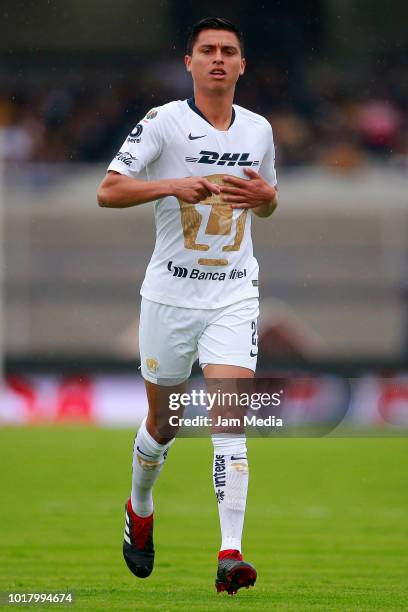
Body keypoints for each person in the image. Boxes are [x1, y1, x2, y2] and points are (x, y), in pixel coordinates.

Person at [97, 16, 278, 596]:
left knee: (230, 422)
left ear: (242, 65)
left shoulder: (260, 131)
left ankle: (230, 553)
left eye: (229, 50)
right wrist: (171, 186)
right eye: (208, 50)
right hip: (171, 296)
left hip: (233, 293)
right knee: (164, 423)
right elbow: (109, 191)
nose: (219, 58)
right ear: (191, 63)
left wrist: (269, 198)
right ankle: (141, 507)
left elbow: (265, 204)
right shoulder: (163, 123)